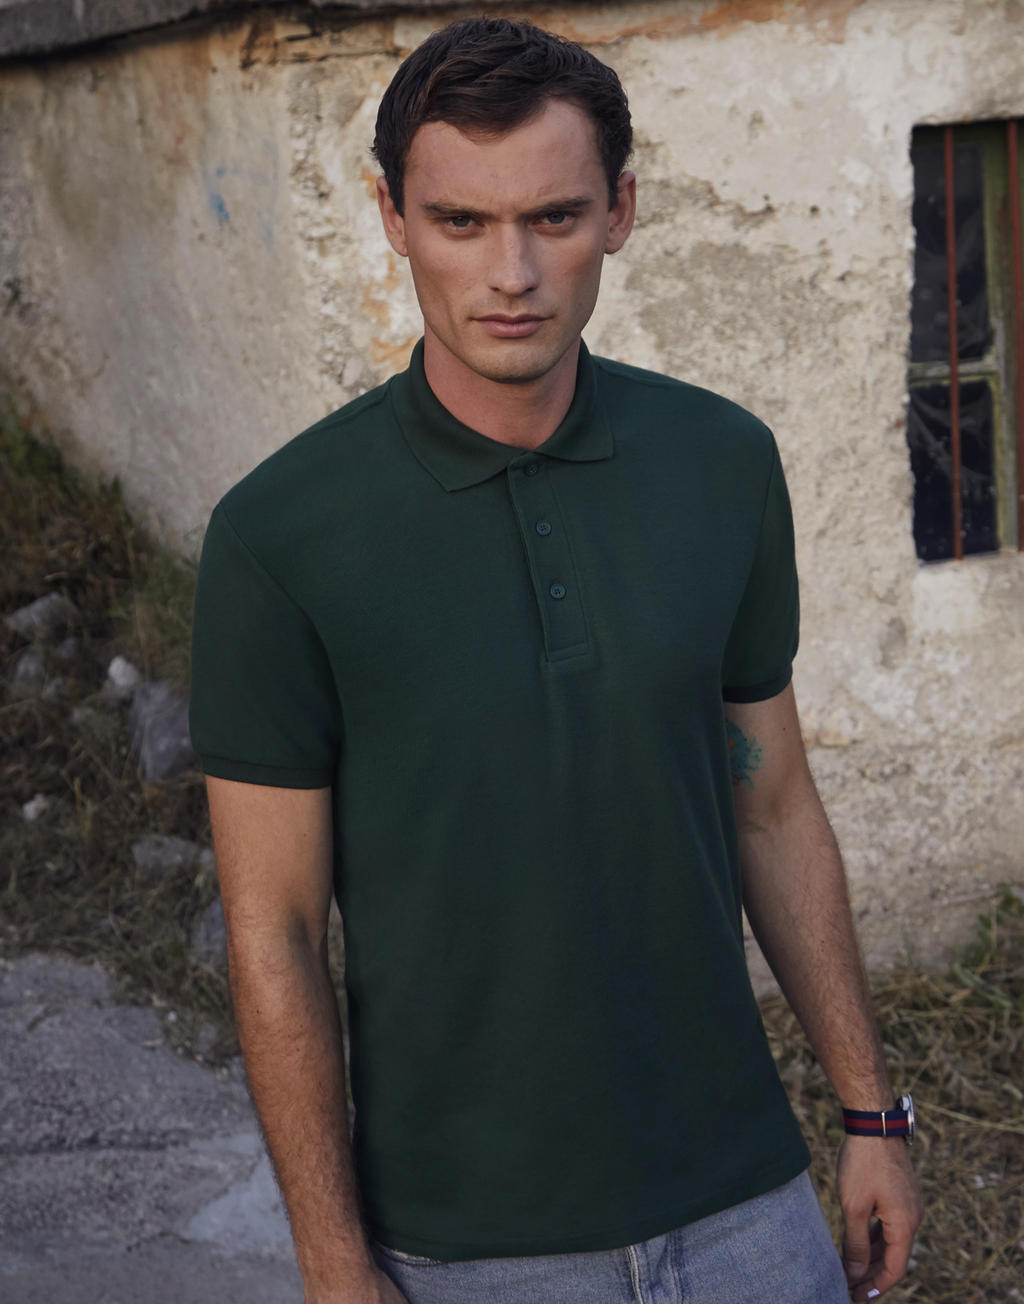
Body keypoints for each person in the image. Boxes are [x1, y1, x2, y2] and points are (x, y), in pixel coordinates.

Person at [189, 17, 922, 1304]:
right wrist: (333, 1261)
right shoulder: (279, 536)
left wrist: (870, 1114)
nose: (511, 272)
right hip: (467, 1246)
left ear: (620, 211)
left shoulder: (721, 464)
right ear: (393, 218)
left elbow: (770, 803)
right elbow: (276, 930)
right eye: (460, 221)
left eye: (555, 217)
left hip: (747, 1207)